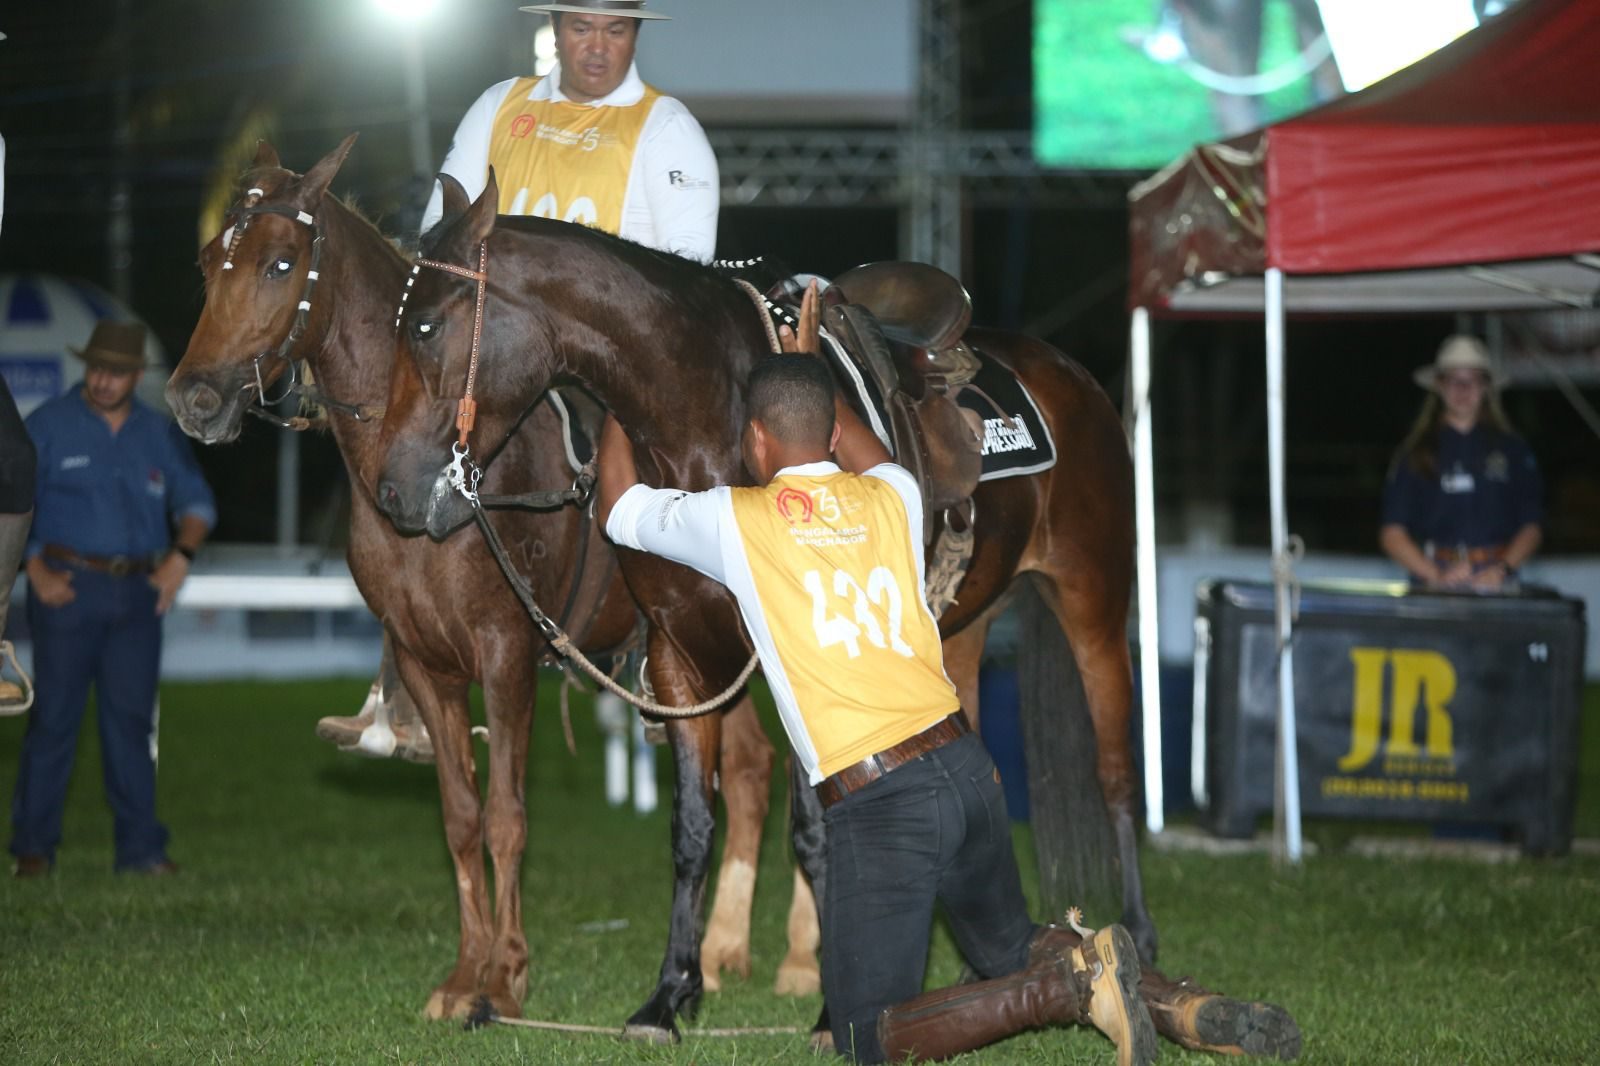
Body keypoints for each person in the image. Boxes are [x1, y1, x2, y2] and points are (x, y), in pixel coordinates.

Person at [596, 352, 1157, 1064]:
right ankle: (1168, 998)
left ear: (757, 442)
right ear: (833, 434)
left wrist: (623, 396)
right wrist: (818, 362)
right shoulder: (894, 492)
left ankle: (1070, 993)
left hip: (882, 799)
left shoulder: (736, 521)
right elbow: (868, 448)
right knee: (1009, 945)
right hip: (966, 769)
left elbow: (618, 506)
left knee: (868, 1038)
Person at [319, 0, 719, 766]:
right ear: (555, 31)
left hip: (607, 356)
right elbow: (443, 234)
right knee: (403, 443)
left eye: (615, 29)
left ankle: (661, 636)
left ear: (635, 35)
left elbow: (684, 283)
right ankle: (401, 672)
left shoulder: (667, 129)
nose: (596, 47)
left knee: (657, 459)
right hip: (491, 350)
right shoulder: (499, 107)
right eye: (581, 28)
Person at [10, 321, 215, 877]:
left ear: (134, 376)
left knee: (130, 725)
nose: (103, 380)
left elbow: (198, 504)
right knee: (53, 720)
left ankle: (140, 849)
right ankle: (32, 847)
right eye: (96, 368)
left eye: (117, 371)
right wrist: (33, 570)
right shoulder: (48, 426)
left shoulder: (157, 432)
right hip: (65, 590)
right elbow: (12, 507)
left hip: (137, 596)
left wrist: (180, 557)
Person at [1381, 335, 1542, 592]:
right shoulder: (1415, 452)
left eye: (1473, 380)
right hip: (1434, 576)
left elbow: (1531, 527)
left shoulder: (1513, 450)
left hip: (1498, 578)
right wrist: (1434, 574)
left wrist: (1501, 570)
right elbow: (1392, 533)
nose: (1463, 389)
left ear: (1486, 386)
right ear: (1440, 386)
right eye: (1454, 380)